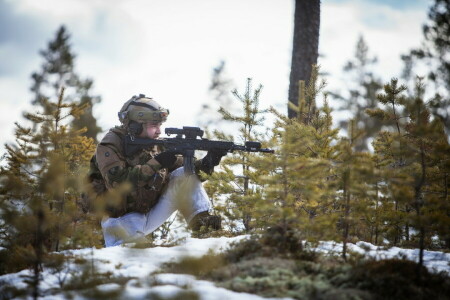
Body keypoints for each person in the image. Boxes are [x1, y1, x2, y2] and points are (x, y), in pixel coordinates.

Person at [90, 94, 224, 247]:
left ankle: (205, 228)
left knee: (184, 175)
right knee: (133, 257)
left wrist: (208, 163)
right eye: (154, 125)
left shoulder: (155, 145)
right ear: (135, 126)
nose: (159, 131)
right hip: (117, 218)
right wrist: (157, 163)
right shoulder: (110, 145)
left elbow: (187, 173)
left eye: (159, 125)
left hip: (147, 212)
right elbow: (118, 184)